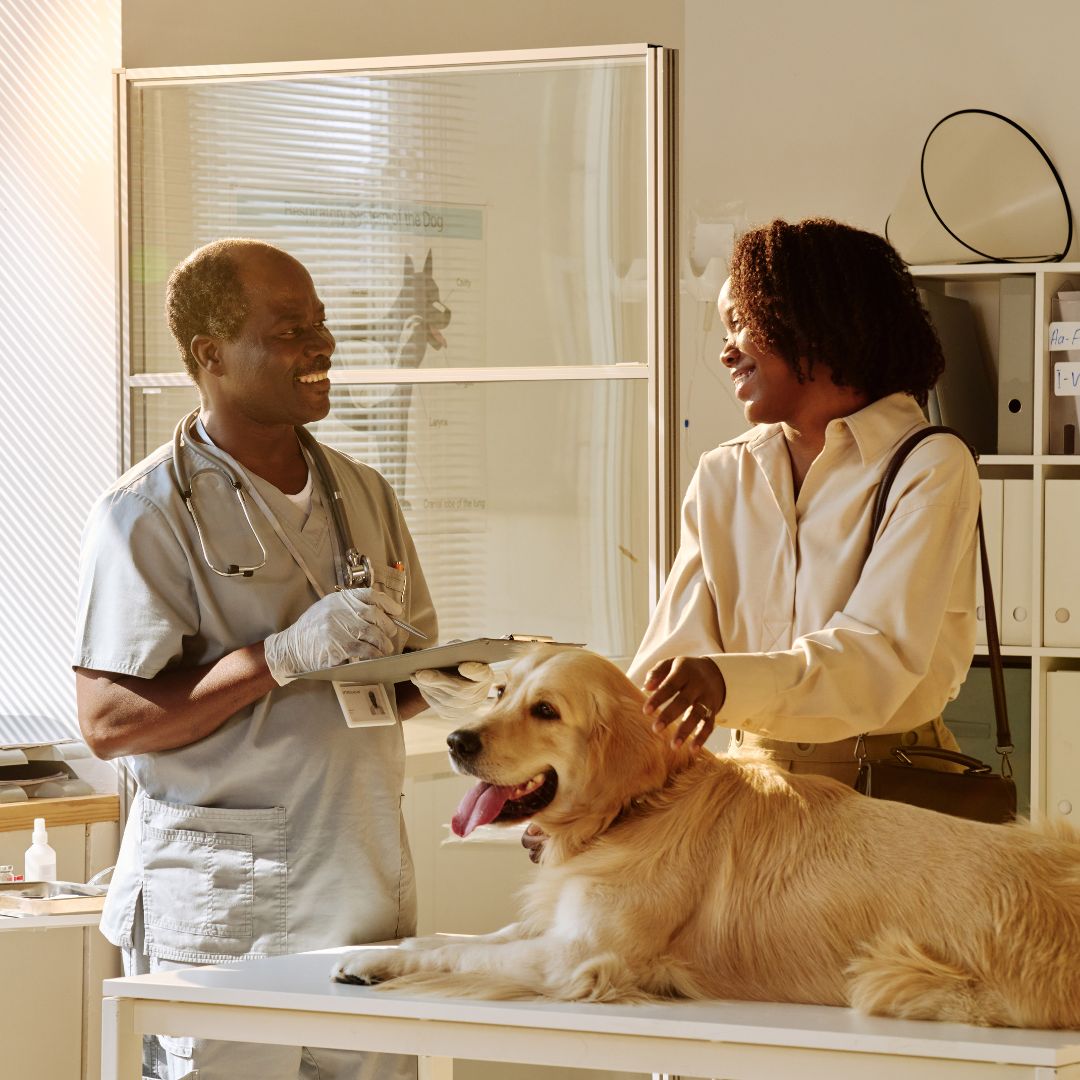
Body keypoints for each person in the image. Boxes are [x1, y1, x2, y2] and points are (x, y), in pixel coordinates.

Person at [73, 239, 443, 1080]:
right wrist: (275, 657)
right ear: (210, 355)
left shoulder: (365, 494)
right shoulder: (145, 513)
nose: (322, 345)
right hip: (224, 905)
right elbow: (106, 723)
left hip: (359, 892)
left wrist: (456, 685)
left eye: (320, 323)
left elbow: (401, 677)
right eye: (289, 328)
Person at [628, 217, 980, 782]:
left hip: (891, 791)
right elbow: (667, 671)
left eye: (739, 323)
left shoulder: (930, 464)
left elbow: (874, 658)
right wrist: (581, 789)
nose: (725, 352)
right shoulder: (723, 472)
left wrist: (722, 681)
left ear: (811, 323)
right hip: (750, 790)